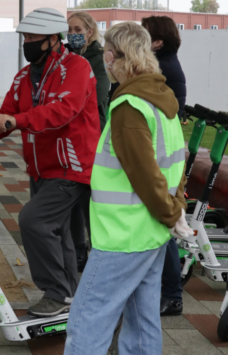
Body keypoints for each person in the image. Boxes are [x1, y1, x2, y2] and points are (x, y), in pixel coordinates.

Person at [0, 8, 100, 317]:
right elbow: (5, 113)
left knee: (35, 221)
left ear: (52, 39)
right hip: (41, 167)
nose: (26, 43)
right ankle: (68, 295)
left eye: (32, 37)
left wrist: (15, 120)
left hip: (72, 166)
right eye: (25, 37)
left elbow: (63, 111)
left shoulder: (77, 67)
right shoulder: (24, 77)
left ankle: (56, 293)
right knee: (58, 231)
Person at [65, 22, 189, 354]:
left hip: (123, 235)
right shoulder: (162, 98)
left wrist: (170, 212)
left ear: (111, 56)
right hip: (150, 234)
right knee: (142, 320)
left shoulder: (129, 106)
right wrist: (174, 211)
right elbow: (176, 160)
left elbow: (144, 175)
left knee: (86, 319)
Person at [142, 15, 188, 317]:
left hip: (163, 154)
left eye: (145, 35)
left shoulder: (163, 68)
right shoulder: (165, 64)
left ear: (157, 42)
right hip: (165, 151)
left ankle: (172, 295)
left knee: (164, 224)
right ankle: (168, 290)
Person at [66, 11, 111, 271]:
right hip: (73, 140)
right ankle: (79, 252)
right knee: (72, 199)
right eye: (69, 29)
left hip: (94, 140)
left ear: (90, 32)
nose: (72, 34)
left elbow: (92, 99)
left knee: (91, 203)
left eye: (77, 29)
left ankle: (98, 254)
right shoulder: (71, 58)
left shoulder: (99, 60)